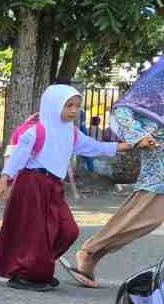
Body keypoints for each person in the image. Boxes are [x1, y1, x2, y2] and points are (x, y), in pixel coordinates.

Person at [0, 84, 150, 291]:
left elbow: (98, 147)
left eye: (77, 106)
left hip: (54, 187)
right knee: (34, 233)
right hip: (31, 185)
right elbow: (16, 159)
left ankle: (37, 268)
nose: (74, 110)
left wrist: (134, 144)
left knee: (68, 231)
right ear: (53, 105)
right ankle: (26, 275)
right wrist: (4, 182)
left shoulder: (72, 133)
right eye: (69, 106)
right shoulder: (35, 132)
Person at [60, 63, 164, 288]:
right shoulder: (156, 80)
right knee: (147, 215)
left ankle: (92, 251)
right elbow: (122, 110)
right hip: (160, 158)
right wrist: (138, 137)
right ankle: (91, 251)